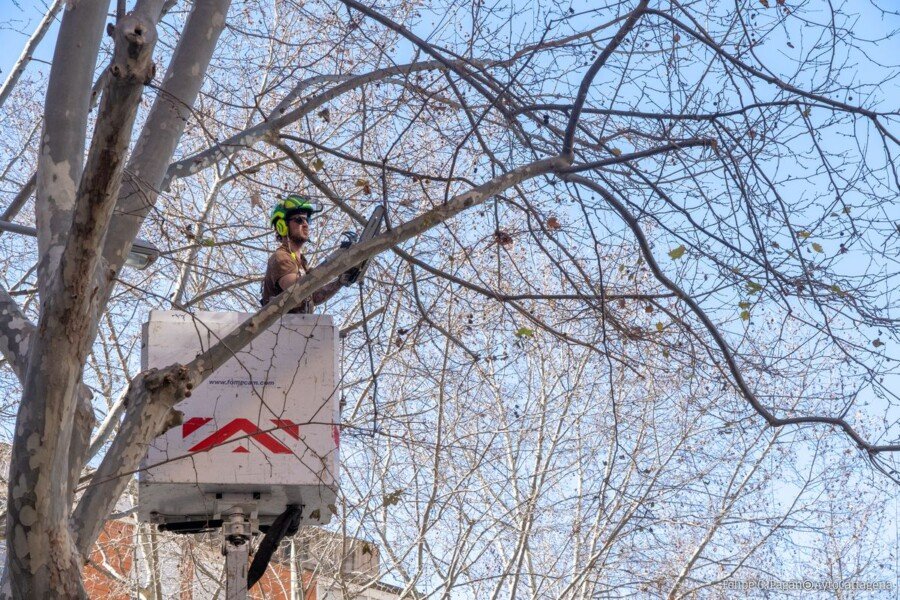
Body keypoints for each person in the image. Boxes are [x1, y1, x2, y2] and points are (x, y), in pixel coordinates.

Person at [261, 193, 351, 313]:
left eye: (307, 219)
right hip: (282, 328)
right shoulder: (281, 257)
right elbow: (297, 291)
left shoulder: (300, 263)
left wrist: (340, 282)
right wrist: (333, 261)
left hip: (300, 327)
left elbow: (313, 296)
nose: (305, 224)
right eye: (299, 220)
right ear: (282, 226)